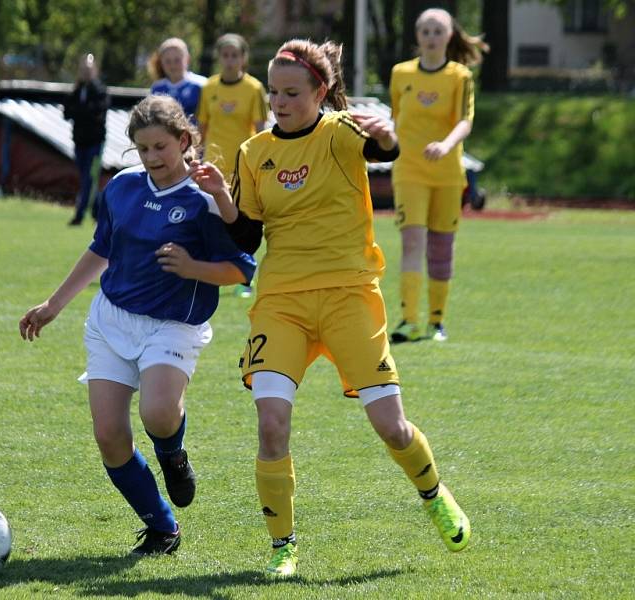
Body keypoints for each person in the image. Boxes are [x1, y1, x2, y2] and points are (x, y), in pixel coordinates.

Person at [205, 39, 471, 578]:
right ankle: (284, 549)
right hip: (282, 302)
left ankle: (433, 492)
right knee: (272, 424)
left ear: (320, 91)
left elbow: (386, 152)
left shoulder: (342, 132)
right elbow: (246, 238)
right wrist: (222, 198)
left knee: (391, 426)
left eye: (292, 93)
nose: (279, 102)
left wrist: (390, 134)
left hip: (351, 295)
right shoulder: (254, 152)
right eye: (275, 92)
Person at [19, 95, 256, 556]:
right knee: (109, 435)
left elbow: (241, 270)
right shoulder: (123, 188)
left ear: (185, 141)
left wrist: (192, 268)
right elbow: (99, 249)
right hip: (112, 321)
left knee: (158, 415)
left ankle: (172, 455)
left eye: (160, 147)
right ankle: (162, 528)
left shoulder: (204, 199)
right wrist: (54, 304)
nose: (151, 159)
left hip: (173, 326)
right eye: (142, 149)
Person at [388, 8, 489, 342]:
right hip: (409, 171)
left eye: (438, 31)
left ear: (449, 36)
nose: (431, 37)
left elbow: (465, 120)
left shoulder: (459, 76)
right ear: (417, 36)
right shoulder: (400, 74)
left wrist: (446, 146)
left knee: (441, 246)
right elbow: (396, 121)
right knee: (412, 241)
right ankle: (408, 320)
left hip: (447, 173)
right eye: (425, 31)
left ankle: (436, 321)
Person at [197, 33, 267, 300]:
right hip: (212, 167)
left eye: (234, 55)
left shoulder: (254, 89)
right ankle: (211, 271)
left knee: (242, 222)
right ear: (219, 58)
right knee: (209, 220)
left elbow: (261, 130)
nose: (229, 61)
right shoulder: (209, 88)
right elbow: (201, 128)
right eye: (225, 55)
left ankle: (245, 276)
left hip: (242, 167)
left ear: (243, 59)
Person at [64, 53, 110, 226]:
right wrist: (82, 110)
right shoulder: (76, 91)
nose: (85, 73)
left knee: (90, 178)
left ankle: (80, 215)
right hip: (79, 142)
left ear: (95, 70)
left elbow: (97, 113)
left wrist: (81, 111)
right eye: (83, 69)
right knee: (86, 178)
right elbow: (67, 112)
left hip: (95, 143)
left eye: (88, 69)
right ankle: (98, 212)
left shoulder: (99, 90)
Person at [149, 37, 207, 122]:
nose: (173, 65)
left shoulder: (202, 84)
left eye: (177, 60)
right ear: (161, 62)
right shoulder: (157, 88)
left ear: (187, 59)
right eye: (168, 61)